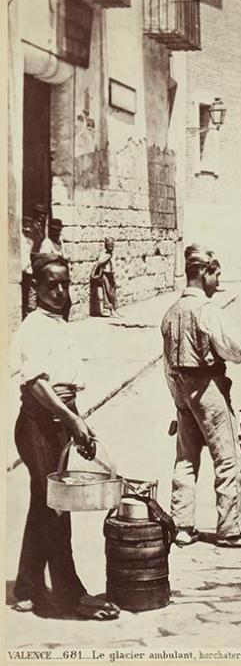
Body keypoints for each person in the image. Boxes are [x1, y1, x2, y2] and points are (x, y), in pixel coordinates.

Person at [12, 253, 120, 620]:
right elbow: (39, 385)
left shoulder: (60, 325)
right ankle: (70, 595)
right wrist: (71, 420)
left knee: (44, 503)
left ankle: (27, 584)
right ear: (35, 289)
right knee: (55, 506)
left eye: (64, 284)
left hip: (60, 424)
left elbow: (67, 386)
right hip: (36, 426)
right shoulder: (33, 328)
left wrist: (79, 424)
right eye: (50, 285)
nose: (59, 291)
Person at [161, 246, 241, 548]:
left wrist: (177, 399)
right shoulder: (206, 311)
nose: (218, 280)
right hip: (207, 387)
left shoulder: (172, 313)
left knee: (185, 459)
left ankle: (182, 526)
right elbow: (236, 349)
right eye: (216, 273)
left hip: (182, 389)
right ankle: (229, 530)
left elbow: (167, 364)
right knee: (227, 458)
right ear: (203, 272)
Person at [39, 219, 71, 320]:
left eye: (58, 230)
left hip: (62, 278)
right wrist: (60, 258)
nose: (57, 232)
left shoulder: (60, 241)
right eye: (54, 230)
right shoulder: (47, 243)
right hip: (53, 280)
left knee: (67, 304)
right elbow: (45, 260)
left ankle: (62, 323)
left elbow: (65, 255)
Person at [89, 237, 119, 317]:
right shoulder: (104, 255)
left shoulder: (112, 255)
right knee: (108, 293)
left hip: (110, 275)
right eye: (109, 245)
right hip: (105, 275)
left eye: (112, 245)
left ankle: (114, 310)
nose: (111, 247)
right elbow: (99, 263)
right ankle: (111, 310)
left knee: (112, 292)